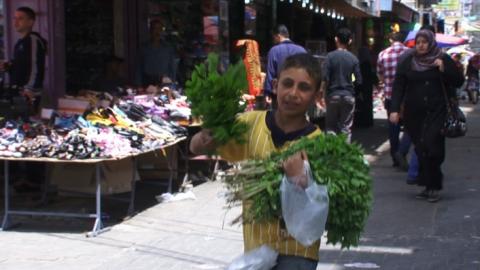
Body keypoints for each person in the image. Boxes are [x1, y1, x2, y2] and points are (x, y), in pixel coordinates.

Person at [190, 53, 322, 270]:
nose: (293, 93)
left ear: (317, 95)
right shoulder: (251, 124)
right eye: (287, 84)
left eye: (304, 87)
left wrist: (303, 180)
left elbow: (323, 204)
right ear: (275, 85)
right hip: (257, 247)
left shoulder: (319, 144)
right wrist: (202, 139)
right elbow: (197, 146)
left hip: (299, 251)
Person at [389, 29, 464, 202]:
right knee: (422, 149)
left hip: (437, 111)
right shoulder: (408, 60)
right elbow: (399, 86)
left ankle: (435, 185)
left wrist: (444, 69)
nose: (421, 45)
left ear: (431, 43)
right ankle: (428, 184)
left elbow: (458, 80)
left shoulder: (442, 58)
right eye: (418, 42)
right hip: (414, 114)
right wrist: (394, 110)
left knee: (433, 146)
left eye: (424, 42)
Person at [0, 6, 47, 113]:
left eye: (20, 18)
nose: (16, 22)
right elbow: (22, 65)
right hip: (16, 90)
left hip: (27, 93)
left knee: (27, 124)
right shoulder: (20, 42)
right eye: (14, 18)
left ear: (30, 22)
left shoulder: (33, 40)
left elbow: (35, 66)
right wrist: (8, 65)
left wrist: (29, 89)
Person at [376, 31, 412, 169]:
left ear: (391, 40)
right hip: (408, 96)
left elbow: (379, 74)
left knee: (393, 127)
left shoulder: (383, 54)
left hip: (391, 96)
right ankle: (402, 152)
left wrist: (387, 82)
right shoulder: (410, 53)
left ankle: (395, 156)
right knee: (409, 126)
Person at [321, 28, 362, 143]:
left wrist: (321, 94)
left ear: (336, 39)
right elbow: (359, 81)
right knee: (346, 128)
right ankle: (344, 155)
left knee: (330, 127)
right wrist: (354, 94)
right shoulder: (354, 59)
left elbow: (324, 78)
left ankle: (331, 155)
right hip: (349, 96)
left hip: (333, 96)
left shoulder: (329, 57)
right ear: (350, 41)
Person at [264, 25, 306, 107]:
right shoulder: (302, 50)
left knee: (279, 118)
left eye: (274, 38)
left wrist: (267, 92)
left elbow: (270, 73)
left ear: (278, 36)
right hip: (299, 93)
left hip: (280, 94)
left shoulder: (274, 51)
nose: (273, 40)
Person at [136, 20, 176, 87]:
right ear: (150, 31)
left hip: (164, 83)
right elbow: (139, 68)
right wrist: (138, 85)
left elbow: (172, 67)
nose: (157, 31)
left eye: (159, 29)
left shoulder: (168, 48)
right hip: (147, 82)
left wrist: (172, 83)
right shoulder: (144, 48)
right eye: (155, 28)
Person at [354, 46, 376, 128]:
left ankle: (363, 122)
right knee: (368, 104)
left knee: (362, 104)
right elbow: (373, 75)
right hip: (368, 87)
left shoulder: (361, 64)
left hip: (362, 87)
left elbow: (357, 76)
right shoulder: (368, 63)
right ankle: (368, 121)